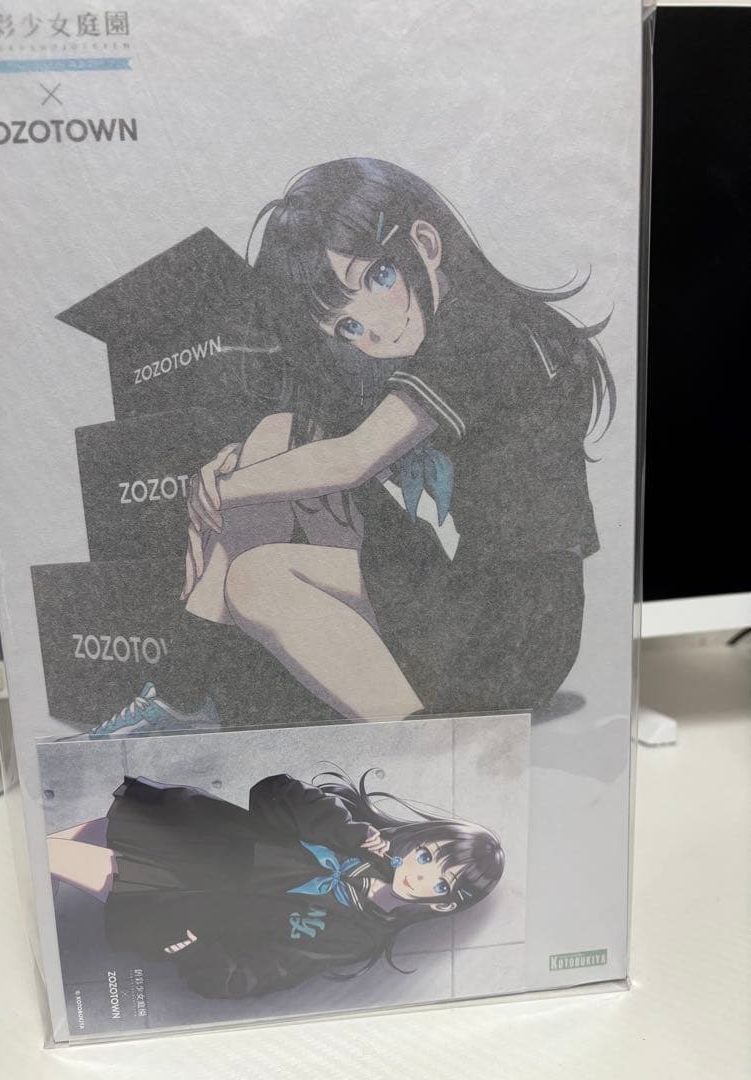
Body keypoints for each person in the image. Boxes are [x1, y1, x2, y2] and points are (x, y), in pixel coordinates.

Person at [91, 157, 614, 736]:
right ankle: (181, 694)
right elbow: (318, 442)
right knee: (278, 435)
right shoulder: (440, 343)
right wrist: (230, 477)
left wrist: (216, 492)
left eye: (378, 279)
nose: (374, 330)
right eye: (346, 328)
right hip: (469, 594)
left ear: (425, 243)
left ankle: (421, 740)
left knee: (255, 579)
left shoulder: (481, 329)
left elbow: (352, 457)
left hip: (517, 631)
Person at [47, 768, 504, 999]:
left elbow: (264, 972)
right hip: (198, 836)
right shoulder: (361, 836)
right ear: (417, 840)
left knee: (55, 857)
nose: (419, 874)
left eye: (439, 884)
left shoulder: (356, 936)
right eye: (425, 856)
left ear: (443, 904)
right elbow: (271, 791)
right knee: (64, 844)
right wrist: (344, 831)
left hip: (189, 901)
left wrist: (198, 953)